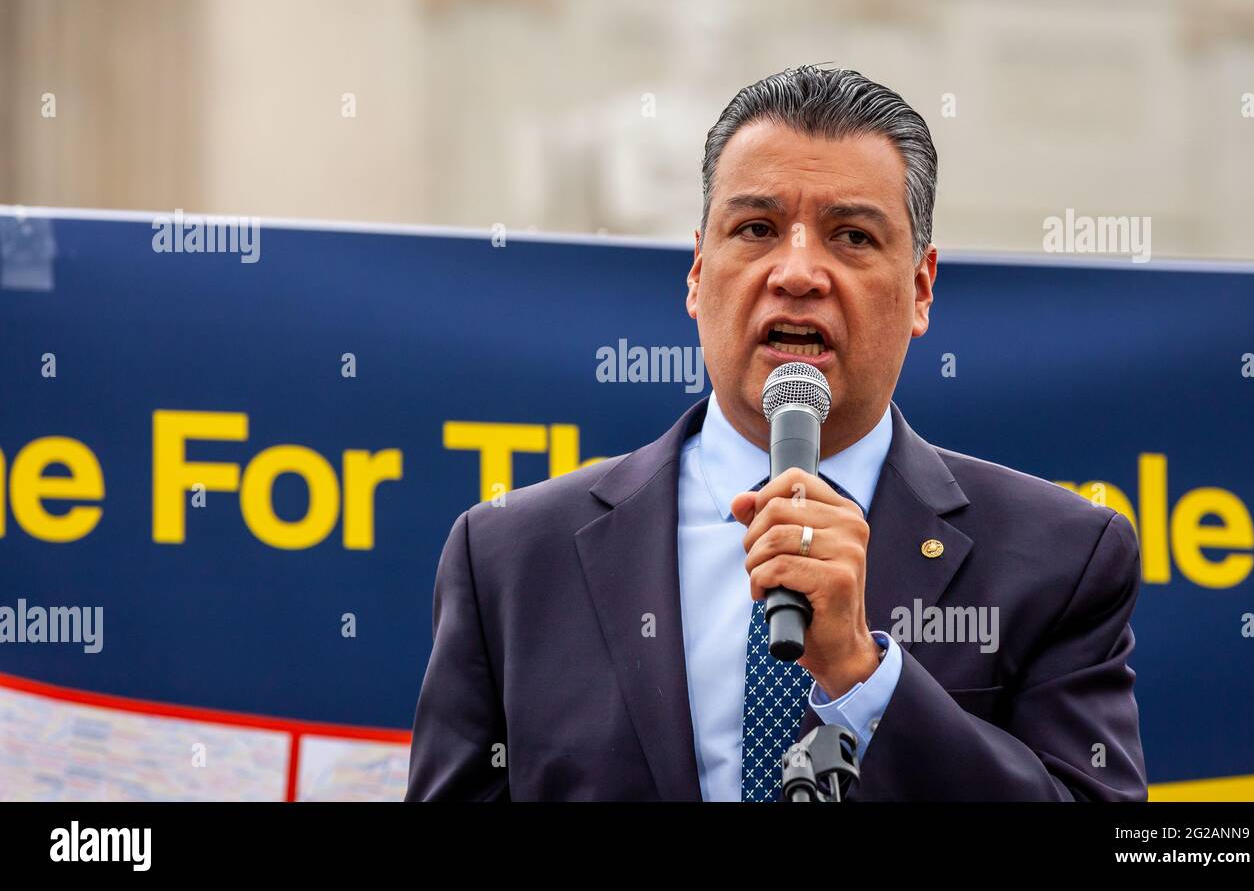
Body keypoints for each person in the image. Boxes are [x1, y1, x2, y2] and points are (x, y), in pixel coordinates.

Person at [405, 65, 1147, 801]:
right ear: (698, 271)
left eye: (851, 235)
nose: (797, 273)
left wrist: (863, 678)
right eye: (756, 229)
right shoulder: (508, 558)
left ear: (920, 288)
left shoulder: (1063, 558)